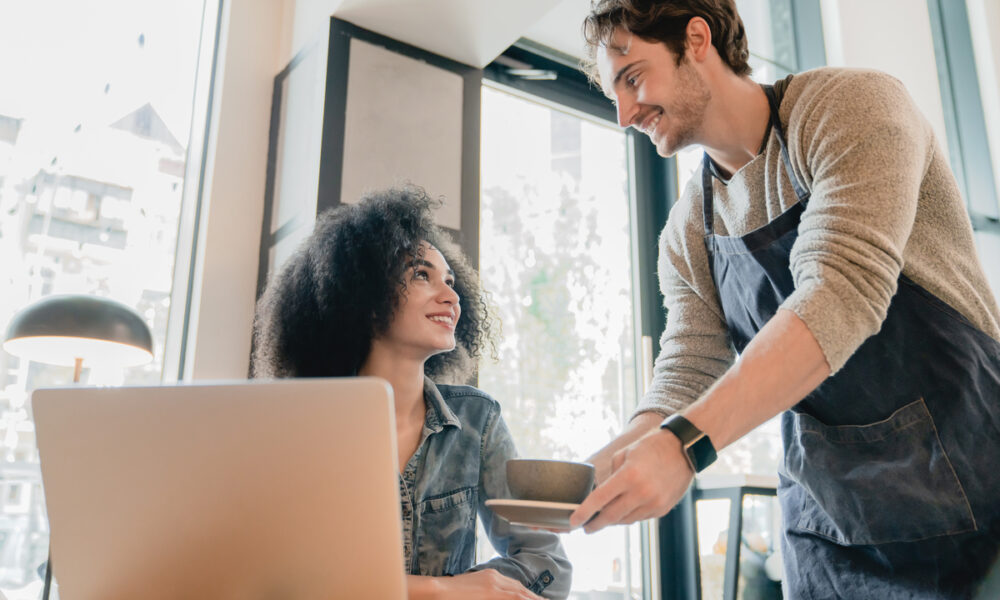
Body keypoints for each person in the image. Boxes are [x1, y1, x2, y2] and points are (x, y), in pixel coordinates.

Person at [569, 0, 1000, 597]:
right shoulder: (688, 229)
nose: (623, 114)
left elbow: (841, 290)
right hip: (830, 527)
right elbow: (690, 364)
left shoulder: (851, 110)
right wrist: (604, 468)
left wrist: (684, 447)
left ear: (697, 39)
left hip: (973, 485)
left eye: (633, 77)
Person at [252, 186, 571, 599]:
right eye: (422, 274)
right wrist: (442, 590)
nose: (451, 296)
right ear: (363, 298)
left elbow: (549, 564)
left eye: (450, 281)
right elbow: (283, 579)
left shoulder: (478, 421)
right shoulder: (308, 428)